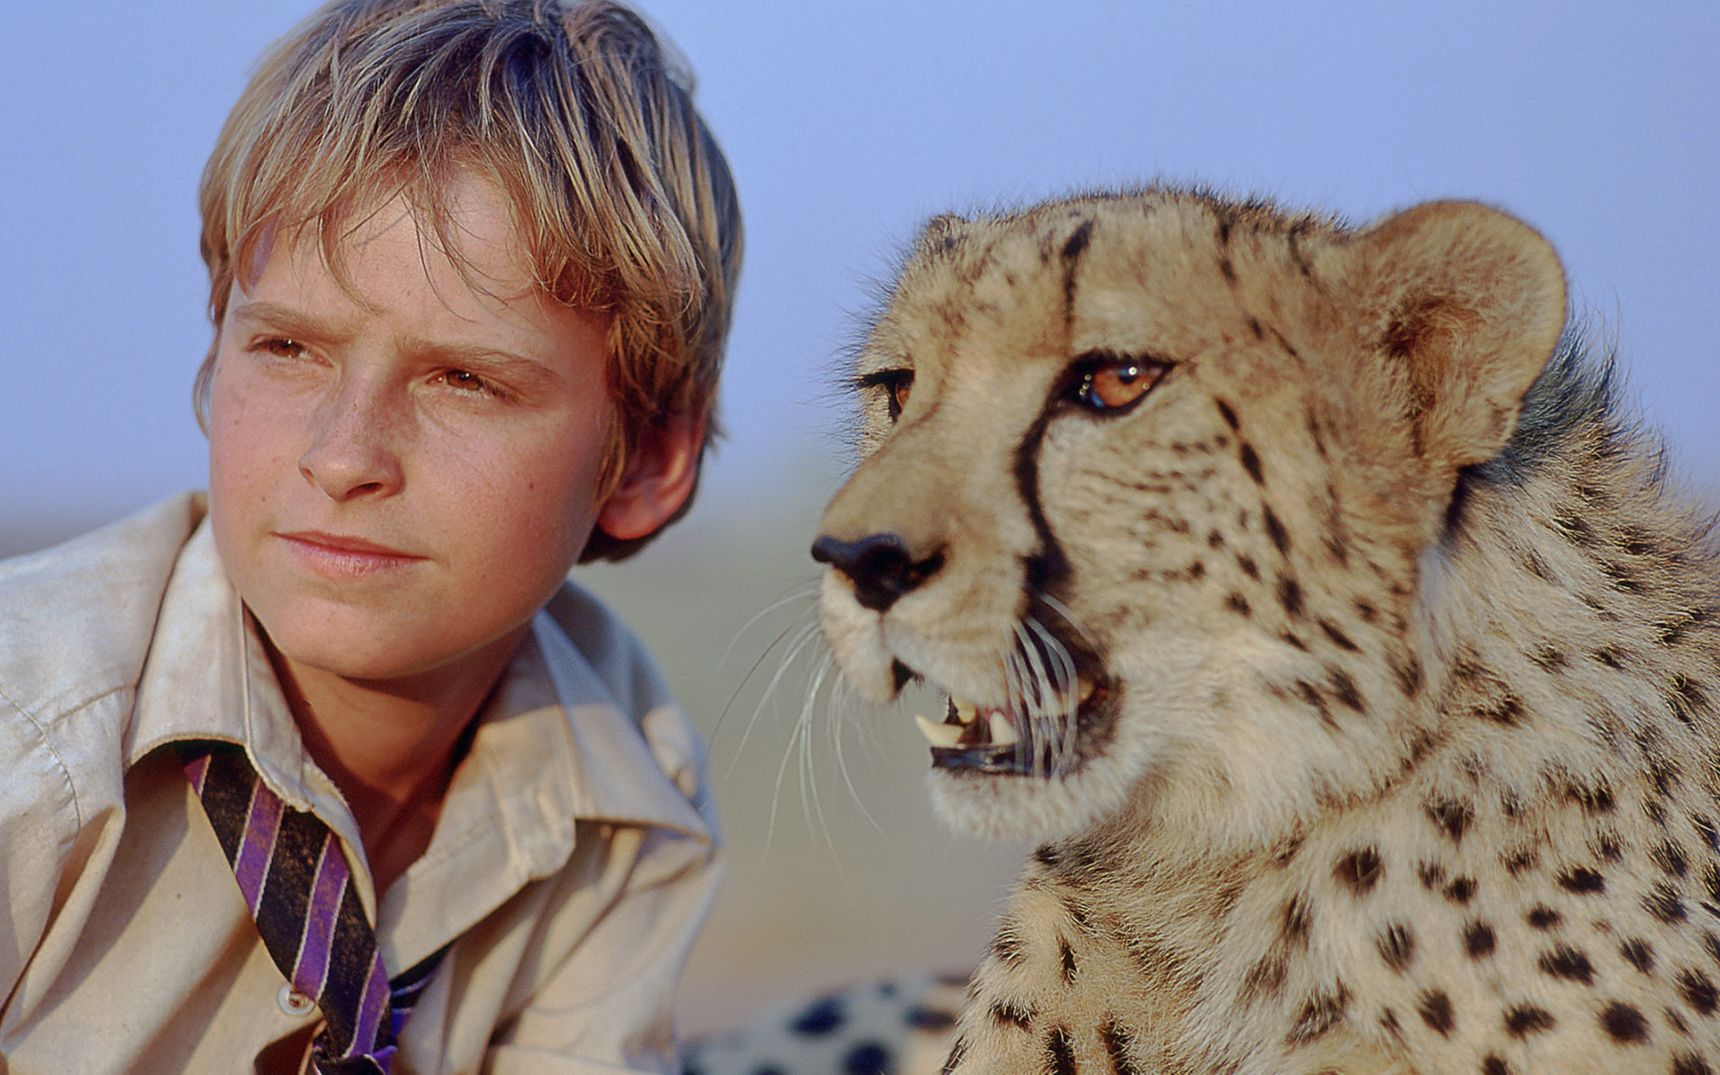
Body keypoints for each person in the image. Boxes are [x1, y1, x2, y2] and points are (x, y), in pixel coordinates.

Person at [0, 1, 741, 1071]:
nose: (345, 456)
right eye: (290, 348)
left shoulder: (628, 789)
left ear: (651, 459)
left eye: (465, 380)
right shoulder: (32, 755)